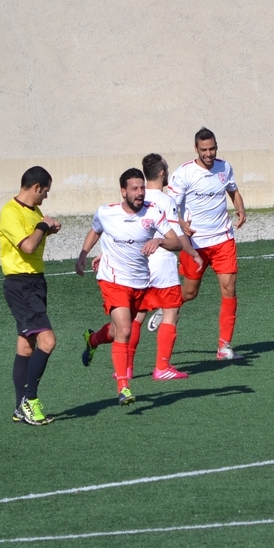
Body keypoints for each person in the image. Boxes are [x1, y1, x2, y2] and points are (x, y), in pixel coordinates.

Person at [76, 168, 197, 405]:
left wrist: (159, 240)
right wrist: (83, 254)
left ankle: (93, 340)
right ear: (123, 191)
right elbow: (96, 230)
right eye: (134, 188)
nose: (140, 192)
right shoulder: (106, 212)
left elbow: (176, 243)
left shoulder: (154, 212)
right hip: (112, 280)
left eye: (142, 187)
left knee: (116, 332)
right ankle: (123, 387)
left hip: (139, 282)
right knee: (125, 330)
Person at [166, 128, 247, 360]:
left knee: (229, 288)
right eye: (204, 150)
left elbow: (233, 191)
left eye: (212, 148)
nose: (209, 153)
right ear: (196, 149)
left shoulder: (225, 168)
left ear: (216, 147)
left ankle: (224, 346)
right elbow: (169, 206)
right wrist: (181, 223)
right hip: (195, 243)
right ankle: (167, 307)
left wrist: (240, 208)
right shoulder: (184, 173)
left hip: (223, 239)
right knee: (190, 292)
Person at [0, 166, 62, 426]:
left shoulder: (34, 212)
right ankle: (30, 399)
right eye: (45, 191)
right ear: (35, 187)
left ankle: (19, 408)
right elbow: (28, 246)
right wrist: (44, 225)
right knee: (48, 341)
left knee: (26, 346)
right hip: (20, 284)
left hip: (35, 282)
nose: (45, 196)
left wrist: (47, 228)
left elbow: (36, 237)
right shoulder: (10, 212)